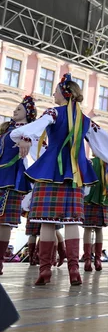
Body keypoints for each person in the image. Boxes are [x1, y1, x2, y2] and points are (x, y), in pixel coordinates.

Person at [11, 74, 108, 286]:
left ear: (65, 93)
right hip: (75, 171)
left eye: (56, 90)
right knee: (73, 221)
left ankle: (45, 269)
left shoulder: (53, 112)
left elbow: (39, 126)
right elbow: (102, 142)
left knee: (47, 221)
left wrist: (24, 136)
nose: (53, 93)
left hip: (50, 170)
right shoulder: (85, 120)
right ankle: (74, 269)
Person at [0, 96, 38, 275]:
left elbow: (38, 145)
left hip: (10, 178)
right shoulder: (7, 129)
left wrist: (27, 139)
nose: (15, 111)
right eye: (15, 109)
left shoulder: (29, 130)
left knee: (3, 222)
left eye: (19, 109)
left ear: (28, 115)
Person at [82, 155, 108, 272]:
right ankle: (98, 260)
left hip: (88, 199)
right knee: (99, 229)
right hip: (103, 199)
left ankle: (87, 260)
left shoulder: (89, 162)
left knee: (87, 229)